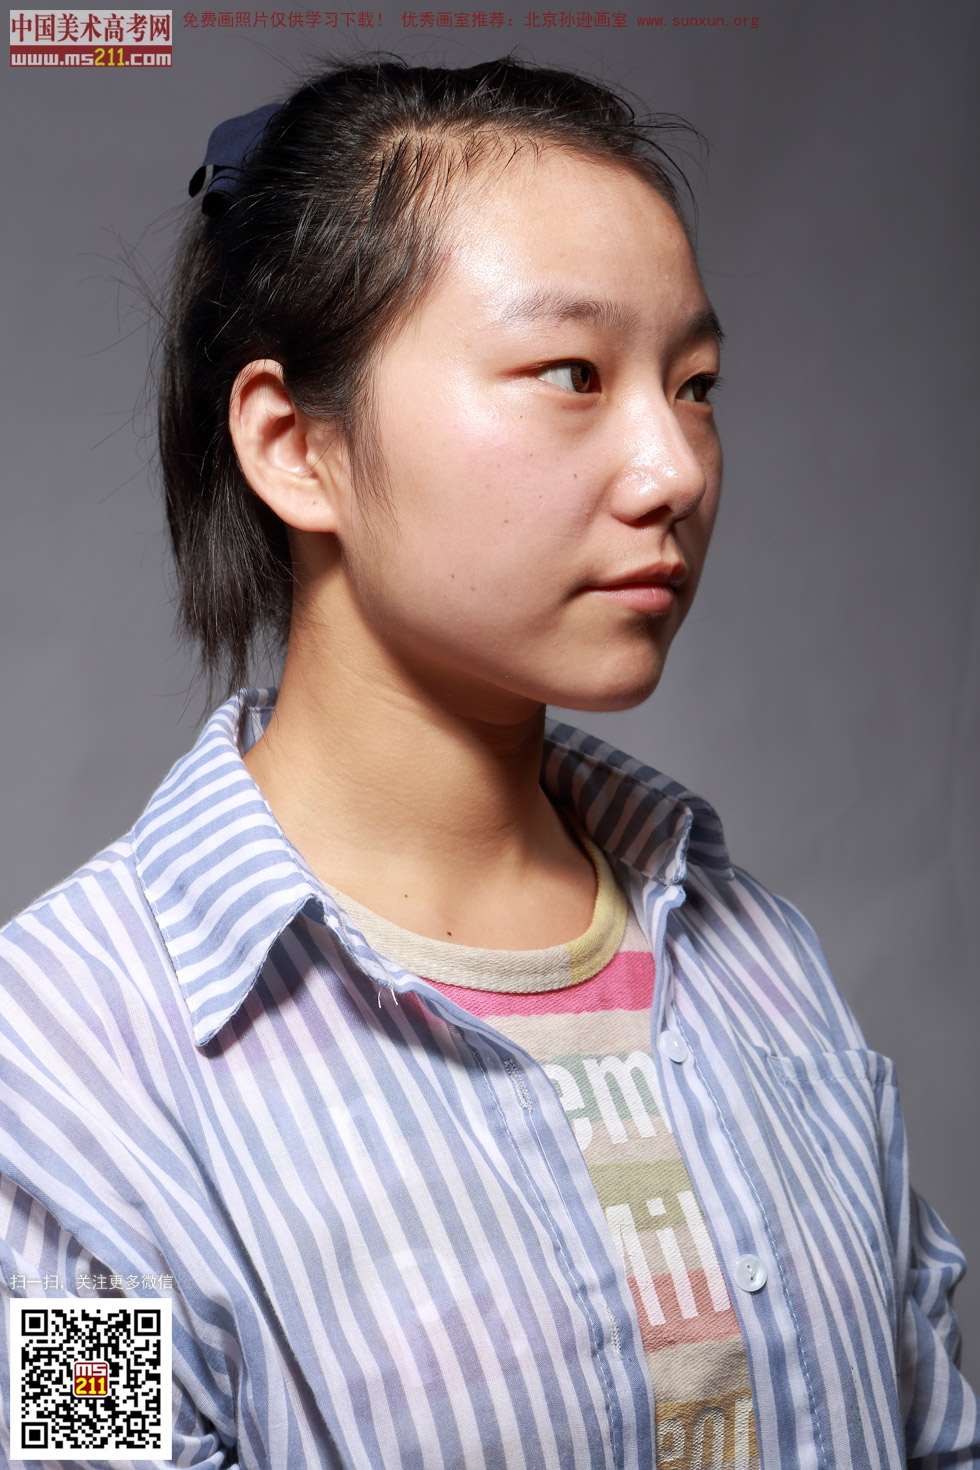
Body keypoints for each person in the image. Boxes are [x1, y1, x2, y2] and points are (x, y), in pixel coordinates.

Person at [0, 54, 976, 1470]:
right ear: (295, 444)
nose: (675, 469)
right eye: (572, 374)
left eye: (696, 385)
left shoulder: (760, 958)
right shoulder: (57, 1077)